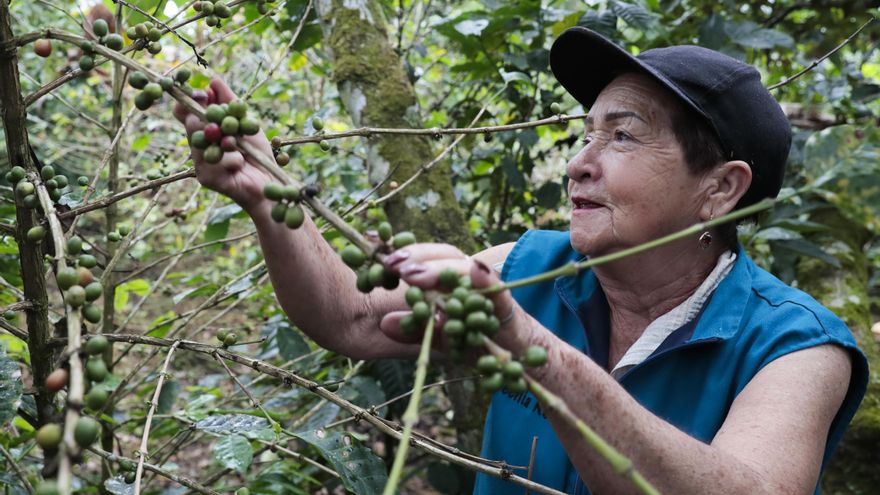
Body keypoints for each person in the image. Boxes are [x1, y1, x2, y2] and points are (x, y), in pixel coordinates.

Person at [175, 26, 868, 495]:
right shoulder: (535, 265)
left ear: (720, 188)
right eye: (585, 133)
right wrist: (266, 197)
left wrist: (533, 346)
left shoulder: (798, 347)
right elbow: (352, 318)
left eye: (622, 136)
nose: (580, 164)